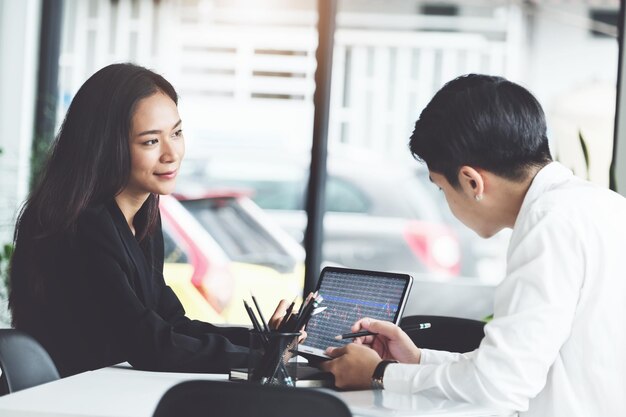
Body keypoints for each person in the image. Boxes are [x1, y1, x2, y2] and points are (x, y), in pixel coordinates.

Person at [320, 74, 626, 416]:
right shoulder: (606, 205)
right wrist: (417, 359)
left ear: (471, 181)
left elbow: (497, 388)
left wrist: (378, 373)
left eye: (440, 188)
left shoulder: (549, 223)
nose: (446, 201)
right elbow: (525, 367)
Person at [9, 63, 283, 377]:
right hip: (69, 401)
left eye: (176, 133)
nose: (172, 154)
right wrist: (261, 355)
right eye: (151, 141)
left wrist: (263, 342)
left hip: (110, 393)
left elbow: (171, 323)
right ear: (106, 147)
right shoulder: (82, 225)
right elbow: (150, 345)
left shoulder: (143, 219)